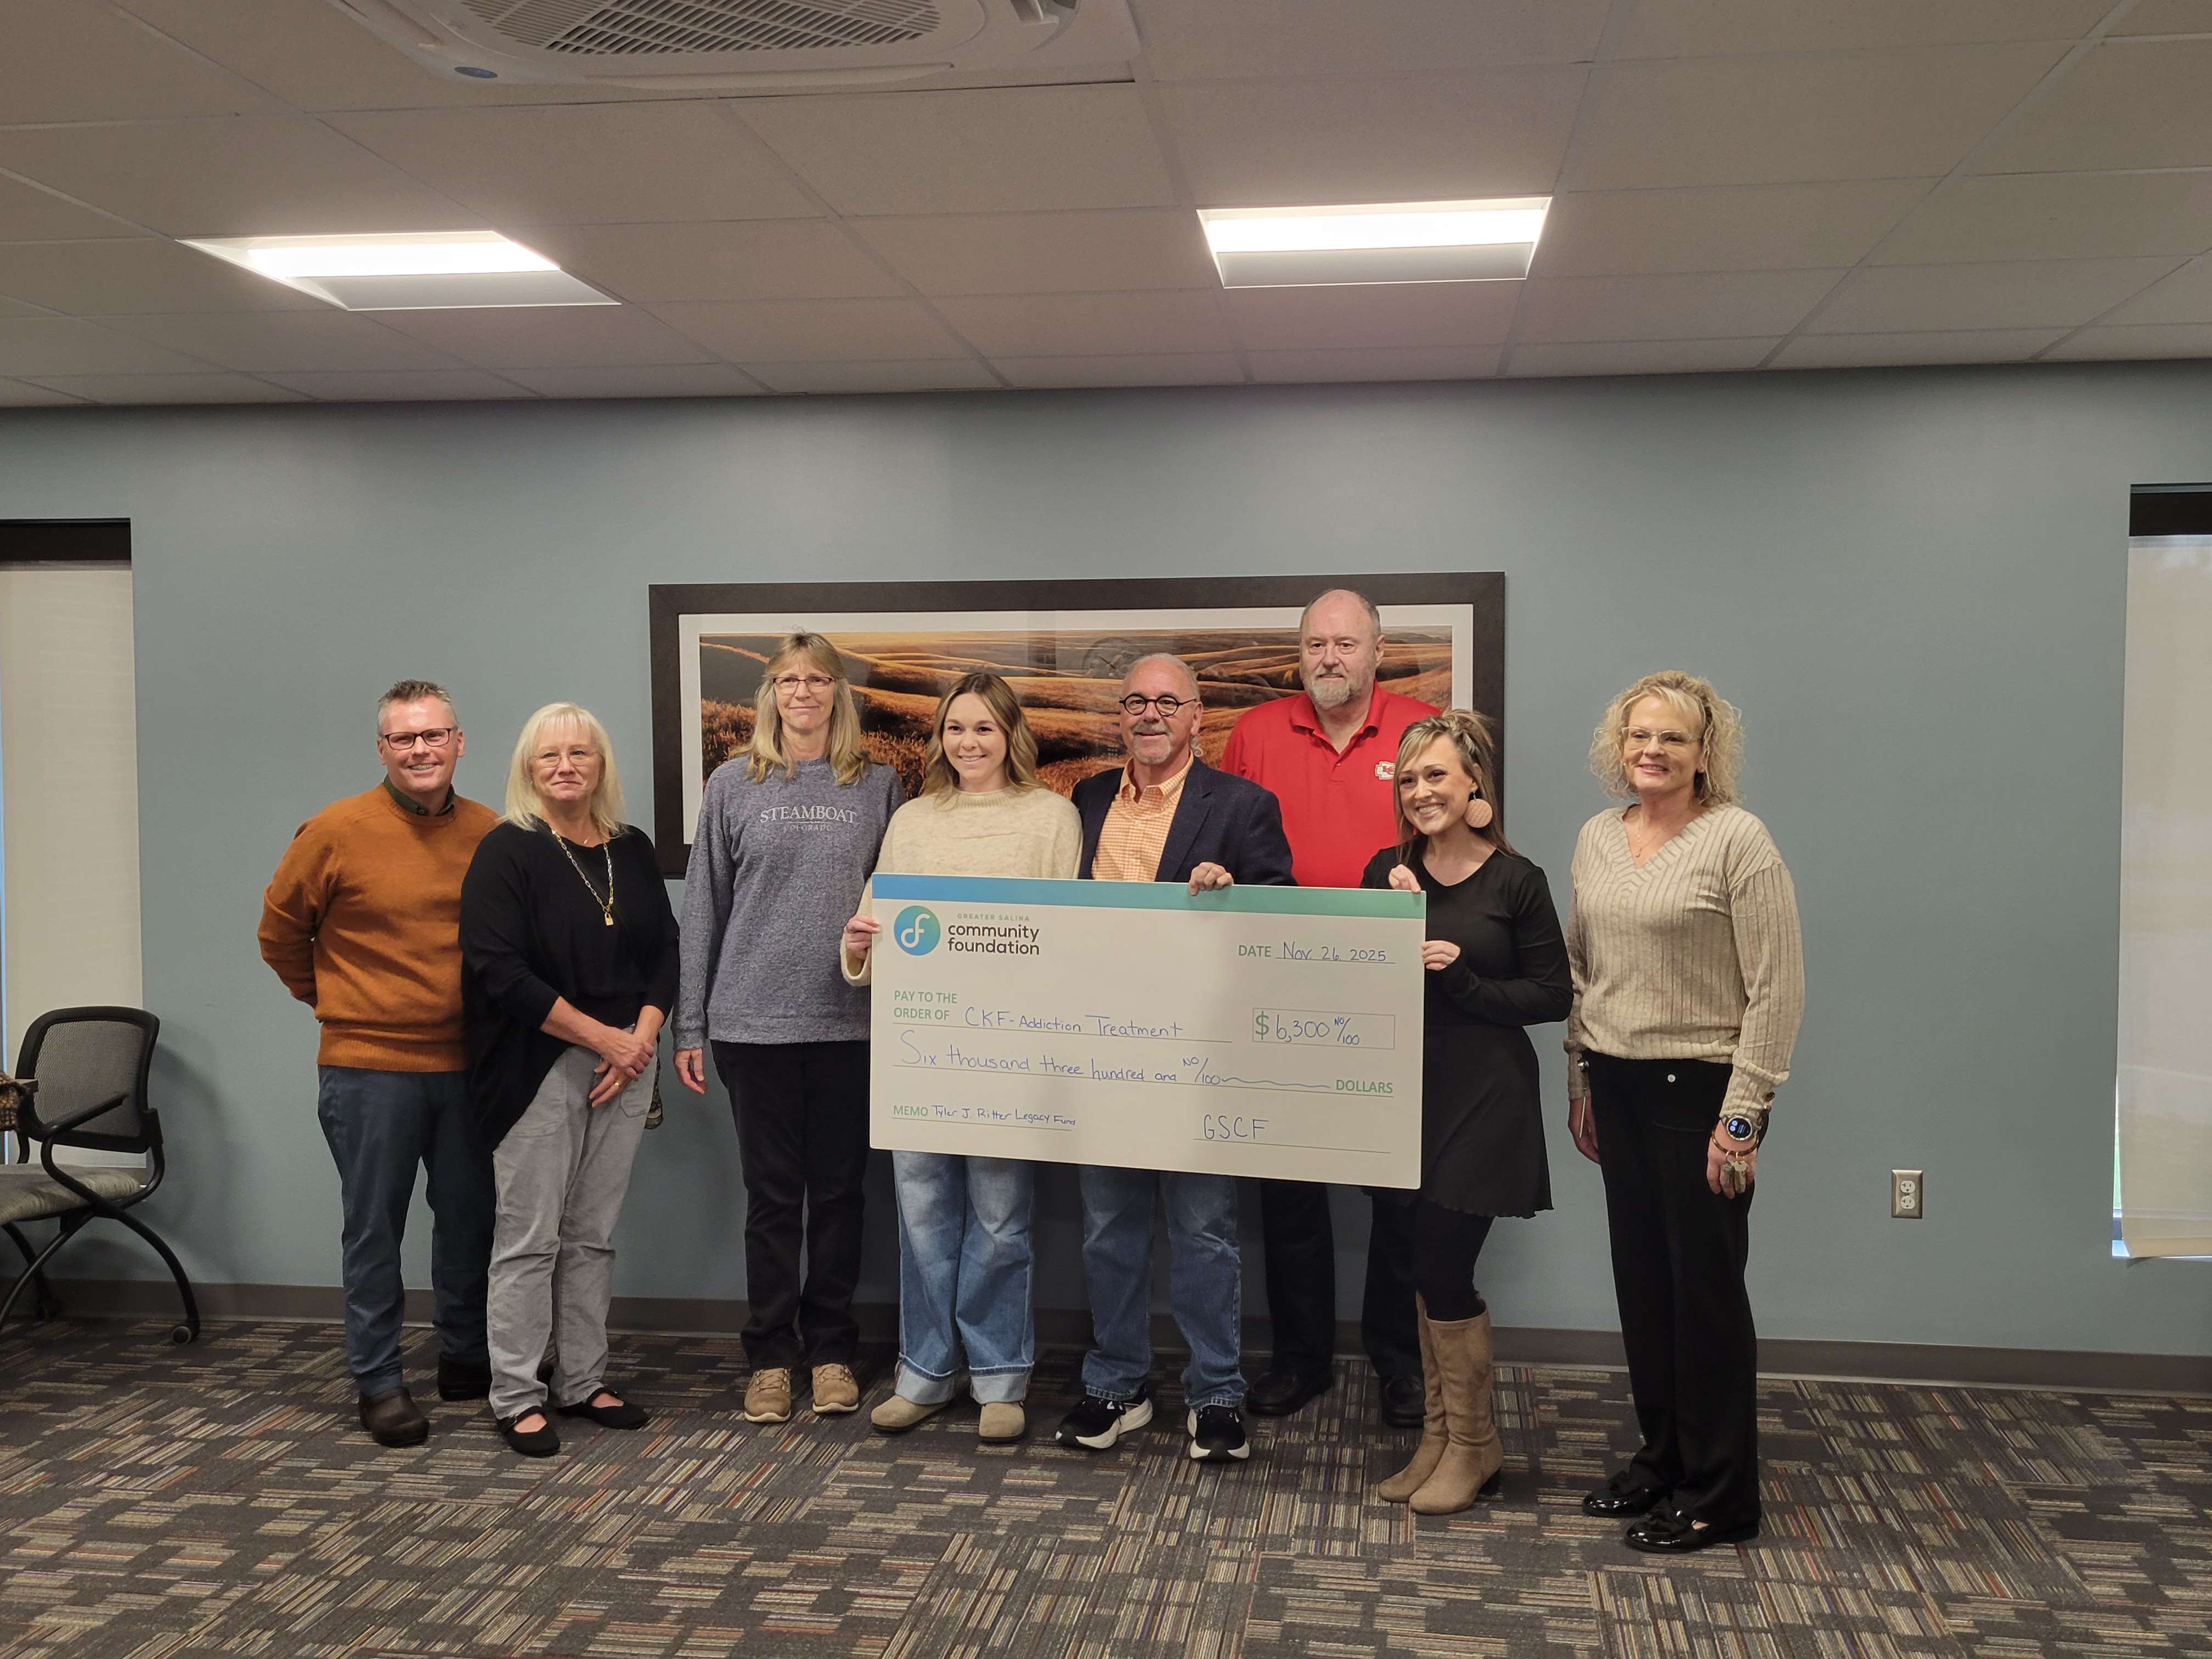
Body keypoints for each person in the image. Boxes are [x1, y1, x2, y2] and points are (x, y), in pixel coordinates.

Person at [1564, 670, 1804, 1554]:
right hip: (1616, 1084)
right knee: (1645, 1288)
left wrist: (1743, 1117)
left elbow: (1777, 988)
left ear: (1705, 752)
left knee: (1704, 1296)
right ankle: (1664, 1460)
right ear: (1618, 746)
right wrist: (1579, 1079)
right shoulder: (1598, 837)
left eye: (1671, 737)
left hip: (1700, 1093)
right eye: (1639, 735)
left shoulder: (1739, 840)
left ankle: (1720, 1493)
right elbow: (1583, 972)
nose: (1652, 750)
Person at [1054, 653, 1295, 1464]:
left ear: (1197, 716)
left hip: (1198, 1052)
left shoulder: (1244, 806)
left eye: (1167, 701)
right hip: (1100, 1044)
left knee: (1205, 1231)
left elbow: (1279, 912)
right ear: (1120, 716)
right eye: (1135, 702)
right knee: (1108, 1228)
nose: (1149, 715)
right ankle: (1116, 1383)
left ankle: (1216, 1393)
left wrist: (1235, 892)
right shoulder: (1087, 799)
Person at [840, 673, 1081, 1443]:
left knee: (1002, 1217)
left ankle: (1001, 1377)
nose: (968, 742)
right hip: (917, 1051)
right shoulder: (912, 819)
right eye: (955, 728)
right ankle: (925, 1372)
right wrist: (857, 945)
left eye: (984, 728)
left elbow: (1067, 937)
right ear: (938, 737)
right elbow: (874, 931)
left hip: (1008, 1051)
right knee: (922, 1213)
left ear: (1012, 735)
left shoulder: (1052, 818)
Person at [257, 679, 499, 1447]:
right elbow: (278, 935)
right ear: (383, 749)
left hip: (467, 1067)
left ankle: (465, 1356)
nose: (421, 750)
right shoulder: (334, 831)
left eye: (434, 735)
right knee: (374, 1231)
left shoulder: (492, 833)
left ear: (460, 742)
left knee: (470, 1220)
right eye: (404, 738)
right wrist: (338, 1000)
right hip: (369, 1068)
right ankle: (379, 1380)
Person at [1221, 588, 1439, 1425]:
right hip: (1278, 992)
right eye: (1316, 644)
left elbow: (1459, 844)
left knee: (1399, 1192)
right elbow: (1226, 843)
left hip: (1396, 992)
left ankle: (1400, 1363)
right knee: (1289, 1191)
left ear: (1378, 651)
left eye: (1346, 644)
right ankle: (1300, 1359)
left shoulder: (1422, 729)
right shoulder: (1256, 734)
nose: (1329, 658)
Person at [675, 634, 903, 1426]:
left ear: (839, 693)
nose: (802, 692)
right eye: (787, 680)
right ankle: (772, 1357)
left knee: (839, 1196)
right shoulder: (732, 783)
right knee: (773, 1200)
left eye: (817, 679)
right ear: (769, 694)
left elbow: (900, 899)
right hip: (752, 1024)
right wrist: (690, 1024)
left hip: (849, 1023)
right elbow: (703, 907)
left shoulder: (879, 784)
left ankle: (832, 1349)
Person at [1359, 710, 1570, 1512]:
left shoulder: (1518, 880)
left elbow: (1552, 995)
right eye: (1409, 779)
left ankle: (1476, 1445)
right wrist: (1396, 921)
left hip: (1486, 1095)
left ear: (1474, 781)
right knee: (1418, 1266)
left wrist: (1463, 980)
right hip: (1405, 1093)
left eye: (1437, 775)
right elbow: (1360, 982)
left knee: (1445, 1267)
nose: (1420, 791)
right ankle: (1441, 1439)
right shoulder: (1386, 870)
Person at [460, 704, 678, 1457]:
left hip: (625, 1067)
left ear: (600, 765)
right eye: (549, 755)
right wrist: (603, 1039)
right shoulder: (507, 850)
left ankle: (582, 1381)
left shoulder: (631, 847)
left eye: (580, 753)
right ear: (528, 767)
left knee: (592, 1236)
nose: (565, 766)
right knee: (530, 1241)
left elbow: (666, 952)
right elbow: (498, 971)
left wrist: (639, 1040)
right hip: (537, 1067)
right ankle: (516, 1395)